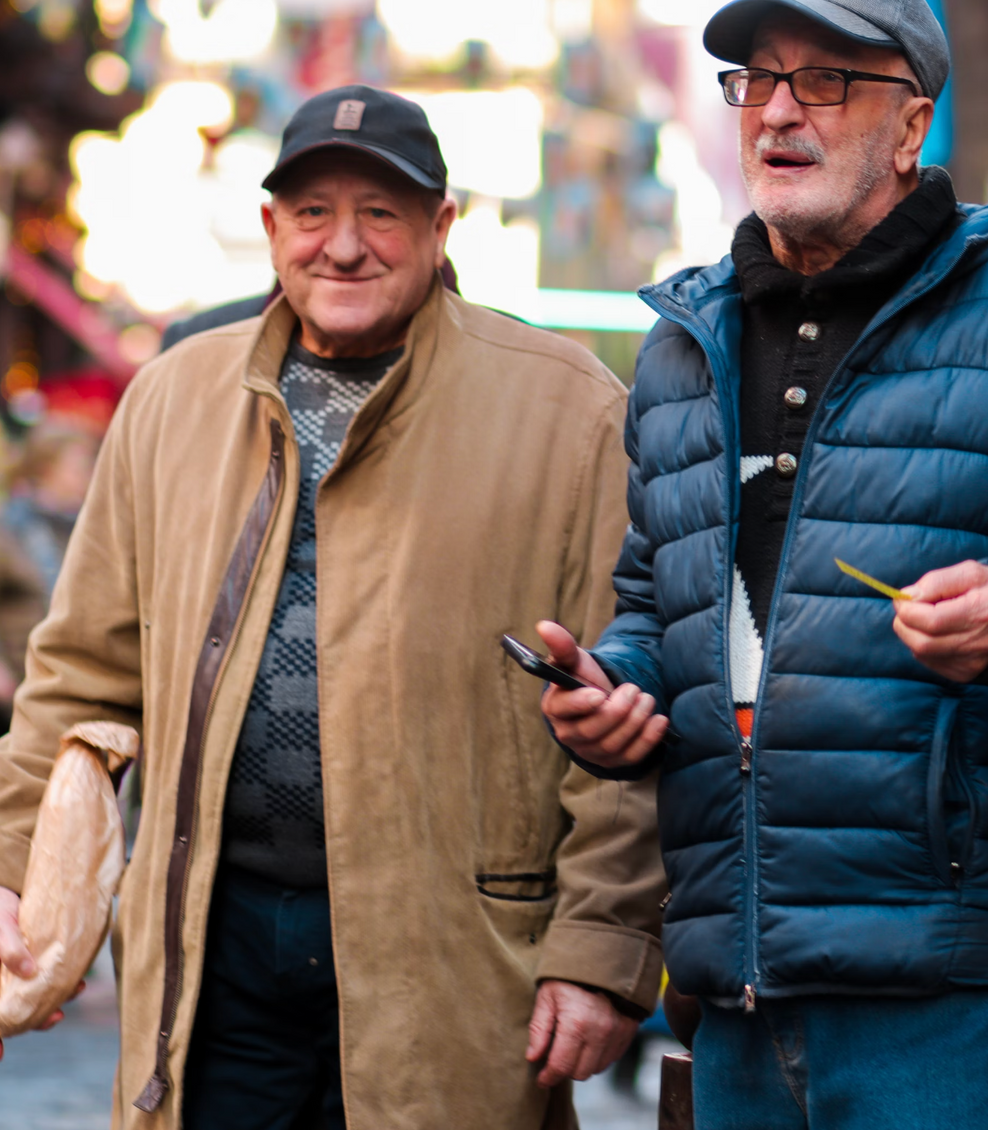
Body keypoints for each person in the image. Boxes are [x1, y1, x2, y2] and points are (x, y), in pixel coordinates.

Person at [535, 0, 988, 1128]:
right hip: (732, 981)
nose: (781, 110)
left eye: (828, 81)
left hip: (939, 981)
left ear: (911, 124)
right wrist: (620, 690)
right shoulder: (683, 348)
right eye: (757, 82)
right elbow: (660, 607)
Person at [0, 85, 666, 1127]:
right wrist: (10, 868)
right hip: (211, 950)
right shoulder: (173, 400)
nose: (342, 246)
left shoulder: (570, 410)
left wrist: (601, 950)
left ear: (443, 226)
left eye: (381, 213)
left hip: (453, 956)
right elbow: (81, 673)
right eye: (313, 213)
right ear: (272, 229)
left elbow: (626, 699)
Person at [0, 422, 100, 723]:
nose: (89, 474)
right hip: (21, 681)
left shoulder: (87, 524)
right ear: (46, 469)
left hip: (70, 680)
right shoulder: (11, 526)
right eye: (78, 467)